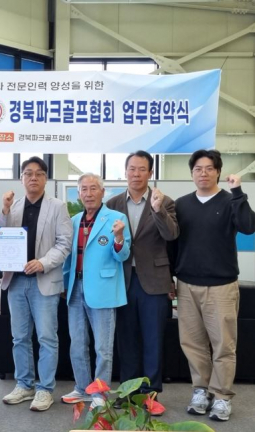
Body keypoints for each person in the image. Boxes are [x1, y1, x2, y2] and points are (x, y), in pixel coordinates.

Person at [174, 149, 255, 422]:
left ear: (218, 172)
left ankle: (221, 396)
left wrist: (238, 192)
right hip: (187, 285)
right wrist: (172, 278)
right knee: (192, 343)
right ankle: (201, 390)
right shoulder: (182, 204)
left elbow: (248, 227)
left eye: (209, 168)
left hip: (221, 286)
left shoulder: (231, 200)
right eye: (198, 169)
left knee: (223, 345)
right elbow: (174, 244)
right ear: (192, 173)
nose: (203, 173)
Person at [106, 151, 179, 413]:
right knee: (126, 339)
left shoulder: (164, 201)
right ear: (125, 172)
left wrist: (158, 210)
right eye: (132, 169)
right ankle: (128, 391)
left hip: (154, 280)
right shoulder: (112, 203)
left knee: (153, 338)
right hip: (122, 280)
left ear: (150, 173)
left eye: (141, 169)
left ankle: (151, 393)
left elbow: (171, 235)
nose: (136, 174)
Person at [0, 156, 73, 412]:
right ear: (21, 178)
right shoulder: (13, 206)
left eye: (39, 173)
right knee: (19, 337)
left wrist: (42, 262)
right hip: (16, 282)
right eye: (28, 173)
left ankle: (45, 389)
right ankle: (24, 384)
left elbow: (64, 243)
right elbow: (2, 238)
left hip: (44, 281)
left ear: (45, 178)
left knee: (46, 338)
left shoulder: (58, 207)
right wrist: (5, 210)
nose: (33, 177)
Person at [62, 173, 131, 410]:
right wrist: (65, 284)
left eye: (93, 189)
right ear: (79, 193)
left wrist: (119, 237)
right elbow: (68, 257)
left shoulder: (116, 218)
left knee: (103, 347)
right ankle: (82, 388)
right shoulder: (74, 220)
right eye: (84, 189)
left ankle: (100, 392)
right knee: (77, 343)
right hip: (75, 287)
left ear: (103, 192)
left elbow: (123, 255)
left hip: (103, 288)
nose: (89, 194)